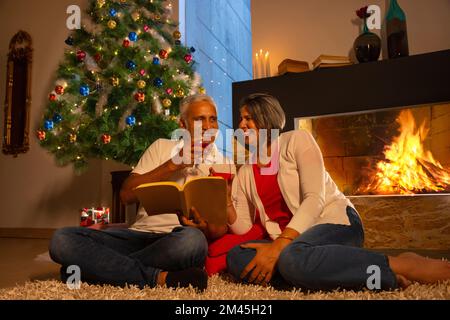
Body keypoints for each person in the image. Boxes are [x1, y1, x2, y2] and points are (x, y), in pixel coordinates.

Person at [226, 93, 450, 291]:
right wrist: (226, 203)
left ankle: (402, 265)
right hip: (291, 245)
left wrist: (280, 245)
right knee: (237, 256)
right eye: (241, 118)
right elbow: (243, 227)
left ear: (267, 118)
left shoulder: (296, 140)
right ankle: (366, 274)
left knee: (291, 259)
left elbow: (315, 199)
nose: (241, 124)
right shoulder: (246, 171)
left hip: (333, 223)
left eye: (249, 118)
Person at [49, 94, 233, 292]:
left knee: (193, 242)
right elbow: (126, 195)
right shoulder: (162, 147)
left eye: (212, 119)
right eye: (199, 119)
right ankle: (159, 278)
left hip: (177, 242)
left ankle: (91, 269)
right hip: (137, 236)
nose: (207, 126)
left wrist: (203, 227)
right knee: (61, 239)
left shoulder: (225, 164)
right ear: (183, 124)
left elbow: (220, 229)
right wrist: (171, 166)